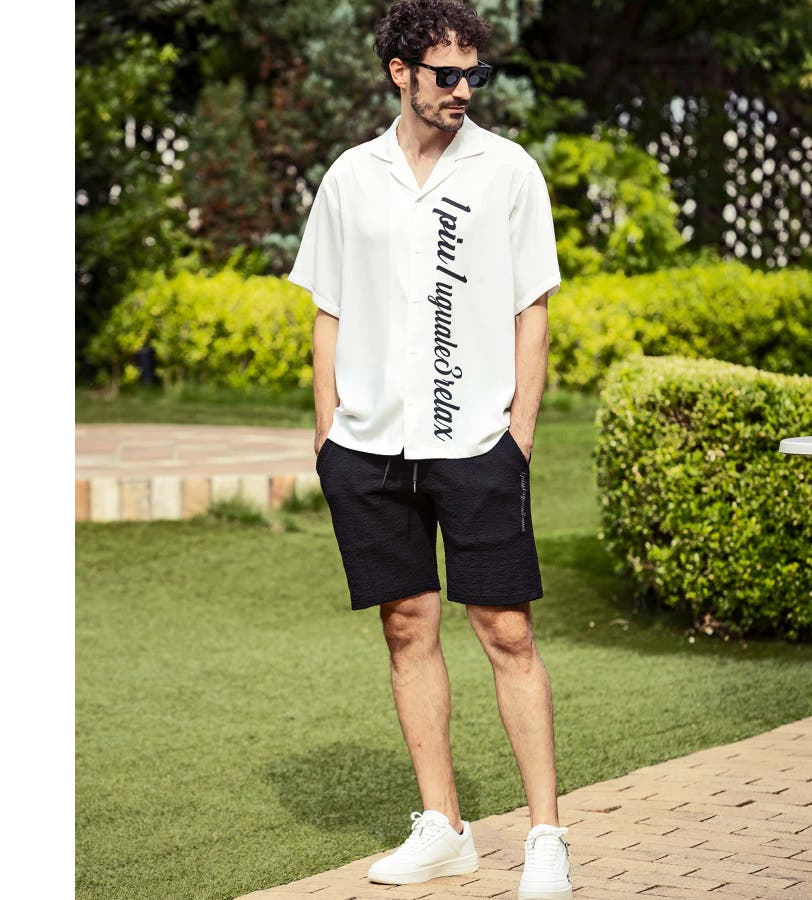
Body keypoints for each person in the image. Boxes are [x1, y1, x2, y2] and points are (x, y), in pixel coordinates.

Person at [288, 1, 570, 897]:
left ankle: (547, 837)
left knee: (506, 630)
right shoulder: (351, 177)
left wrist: (519, 433)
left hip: (477, 440)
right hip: (370, 445)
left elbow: (533, 308)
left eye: (473, 74)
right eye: (446, 75)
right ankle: (443, 827)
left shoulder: (508, 171)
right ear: (400, 73)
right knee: (407, 625)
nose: (463, 90)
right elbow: (328, 307)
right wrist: (328, 429)